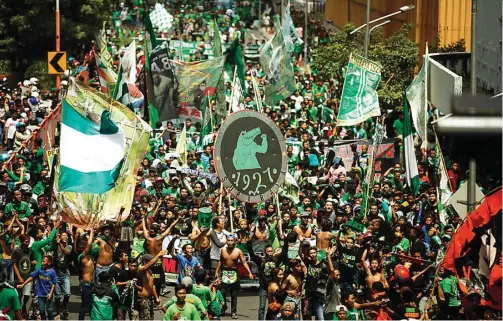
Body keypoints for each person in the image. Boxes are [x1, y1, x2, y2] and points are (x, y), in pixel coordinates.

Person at [215, 234, 253, 319]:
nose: (230, 242)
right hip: (224, 272)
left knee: (234, 294)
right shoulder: (223, 250)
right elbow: (220, 261)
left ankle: (233, 312)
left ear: (235, 242)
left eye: (232, 240)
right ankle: (223, 307)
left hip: (234, 273)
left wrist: (249, 272)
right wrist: (217, 271)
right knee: (222, 292)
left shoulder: (238, 251)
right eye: (228, 240)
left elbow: (244, 262)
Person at [17, 255, 57, 320]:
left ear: (49, 263)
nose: (42, 263)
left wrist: (51, 293)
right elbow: (31, 277)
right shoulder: (39, 270)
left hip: (48, 294)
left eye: (44, 261)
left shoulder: (52, 272)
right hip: (40, 294)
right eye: (42, 261)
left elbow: (53, 283)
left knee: (50, 311)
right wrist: (23, 284)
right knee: (41, 310)